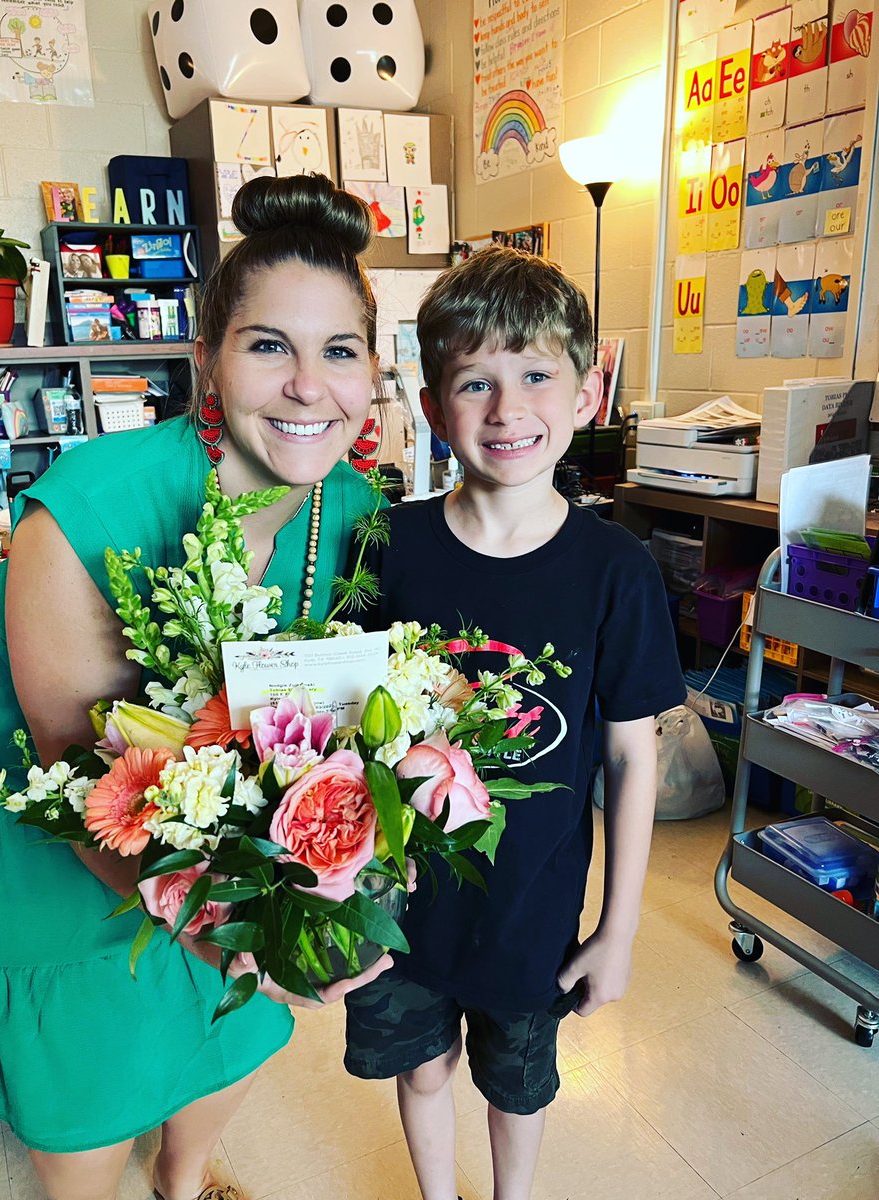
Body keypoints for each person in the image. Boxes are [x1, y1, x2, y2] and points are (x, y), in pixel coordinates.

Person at [0, 173, 391, 1200]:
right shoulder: (94, 501)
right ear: (206, 365)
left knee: (247, 1002)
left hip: (193, 770)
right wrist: (239, 931)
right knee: (94, 1035)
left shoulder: (353, 506)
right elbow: (76, 775)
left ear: (373, 376)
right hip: (4, 778)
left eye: (339, 351)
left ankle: (184, 1177)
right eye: (269, 345)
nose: (309, 386)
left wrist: (305, 903)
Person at [343, 246, 687, 1200]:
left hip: (532, 903)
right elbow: (340, 730)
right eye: (476, 382)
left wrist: (619, 929)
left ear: (586, 394)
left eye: (537, 375)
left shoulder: (614, 569)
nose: (507, 409)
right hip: (400, 895)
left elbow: (629, 756)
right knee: (420, 1065)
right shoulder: (388, 546)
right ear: (429, 406)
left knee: (518, 1084)